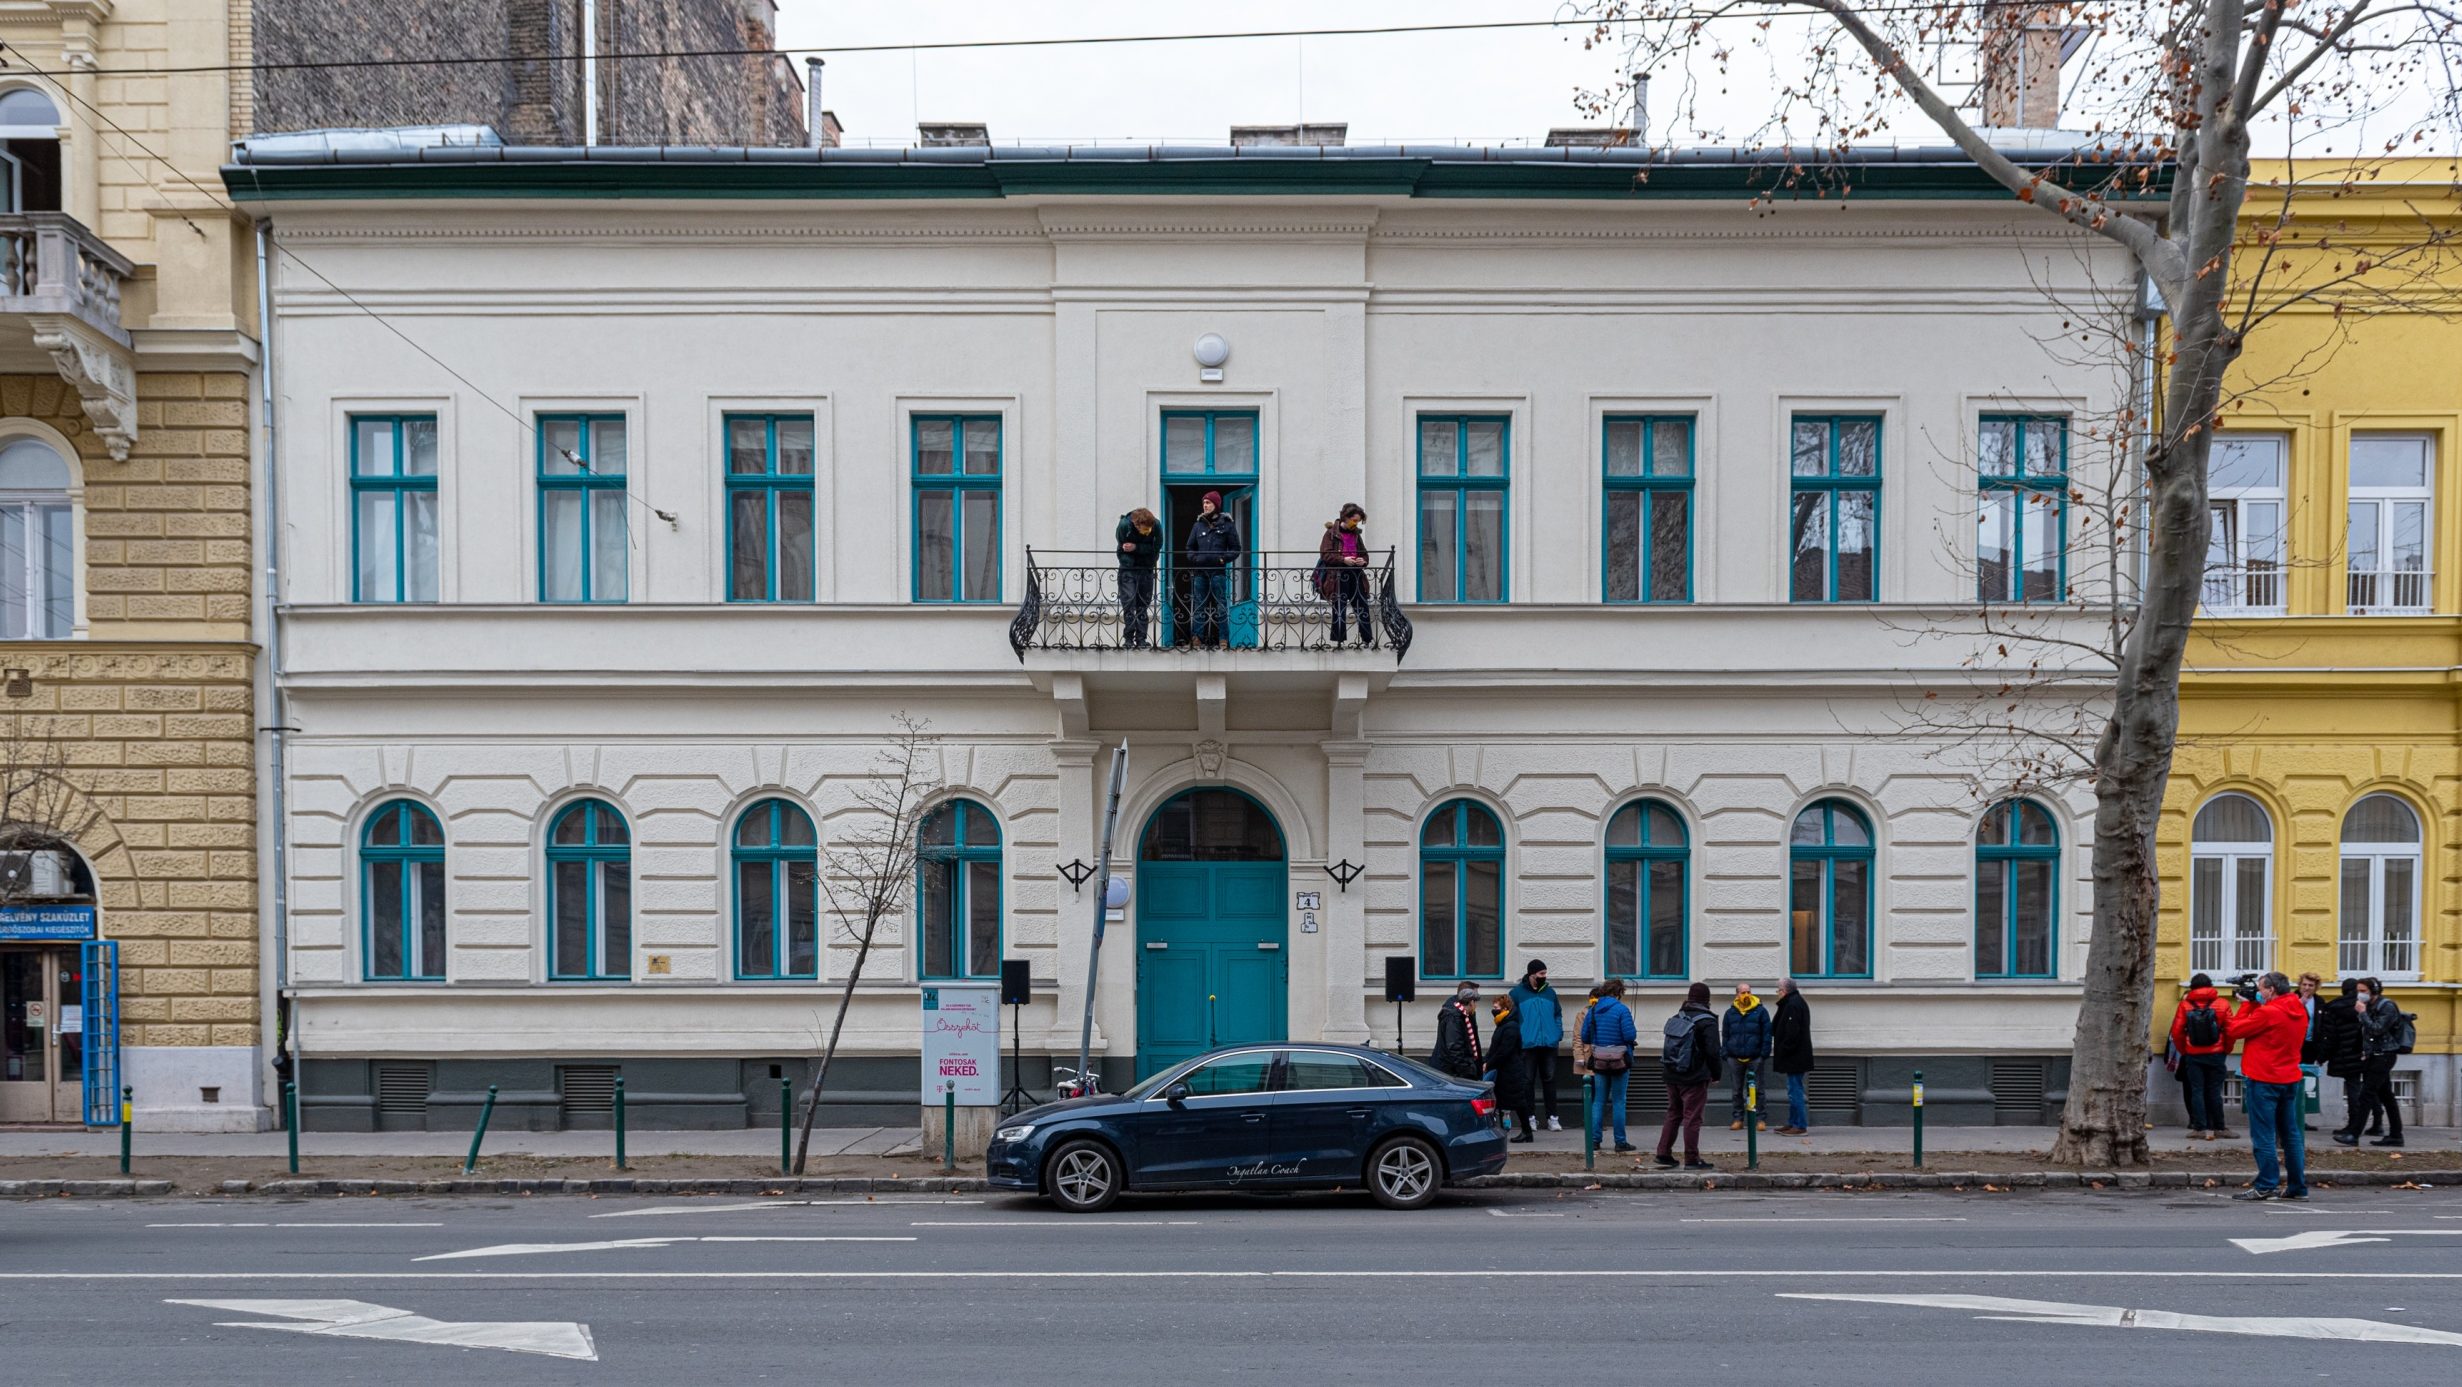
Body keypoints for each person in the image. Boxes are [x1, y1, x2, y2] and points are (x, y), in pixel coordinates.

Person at [2222, 971, 2311, 1201]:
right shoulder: (2298, 1008)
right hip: (2289, 1077)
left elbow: (2234, 1029)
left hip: (2264, 1079)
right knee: (2291, 1135)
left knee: (2264, 1135)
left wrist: (2246, 1006)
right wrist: (2255, 1004)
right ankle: (2297, 1187)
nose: (2259, 993)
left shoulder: (2269, 1012)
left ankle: (2266, 1184)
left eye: (2261, 989)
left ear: (2271, 990)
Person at [1655, 982, 1722, 1170]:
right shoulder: (1707, 1021)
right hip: (1694, 1077)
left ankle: (1663, 1153)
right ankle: (1692, 1158)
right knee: (1692, 1117)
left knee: (1673, 1113)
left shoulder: (1677, 1017)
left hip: (1671, 1073)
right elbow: (1713, 1052)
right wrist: (1716, 1074)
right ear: (1706, 1000)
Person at [2167, 972, 2233, 1140]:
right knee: (2215, 1091)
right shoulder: (2222, 1003)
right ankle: (2219, 1127)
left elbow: (2177, 1031)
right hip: (2217, 1054)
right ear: (2211, 985)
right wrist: (2227, 1048)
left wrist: (2185, 1050)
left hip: (2193, 1054)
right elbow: (2231, 1030)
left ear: (2192, 987)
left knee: (2196, 1090)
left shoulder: (2185, 1005)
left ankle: (2199, 1128)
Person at [1579, 978, 1639, 1154]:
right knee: (1619, 1101)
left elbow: (1585, 1037)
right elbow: (1629, 1035)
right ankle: (1620, 1142)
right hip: (1620, 1061)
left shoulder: (1593, 1009)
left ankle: (1595, 1141)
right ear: (1619, 993)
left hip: (1599, 1061)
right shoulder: (1622, 1010)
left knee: (1598, 1100)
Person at [1508, 959, 1564, 1132]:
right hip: (1527, 1045)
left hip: (1549, 1044)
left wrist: (1557, 1033)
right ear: (1532, 974)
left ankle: (1552, 1118)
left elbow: (1558, 1014)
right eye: (1541, 974)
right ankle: (1530, 1118)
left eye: (1545, 973)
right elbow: (1511, 1018)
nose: (1544, 976)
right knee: (1527, 1082)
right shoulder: (1517, 994)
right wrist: (1519, 1038)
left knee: (1549, 1080)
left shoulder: (1550, 992)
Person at [1183, 490, 1243, 650]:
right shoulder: (1198, 525)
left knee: (1221, 605)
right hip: (1200, 572)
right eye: (1204, 503)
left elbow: (1236, 549)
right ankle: (1196, 638)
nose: (1205, 505)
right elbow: (1189, 547)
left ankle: (1223, 639)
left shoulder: (1227, 525)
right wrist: (1194, 558)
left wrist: (1223, 559)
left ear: (1216, 505)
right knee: (1199, 605)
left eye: (1208, 503)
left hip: (1218, 572)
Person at [1315, 503, 1376, 647]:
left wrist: (1363, 561)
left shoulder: (1356, 535)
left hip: (1356, 574)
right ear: (1345, 517)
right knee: (1339, 608)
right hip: (1337, 575)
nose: (1356, 524)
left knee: (1362, 606)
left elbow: (1364, 554)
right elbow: (1325, 554)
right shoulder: (1331, 533)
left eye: (1358, 521)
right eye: (1354, 520)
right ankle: (1338, 641)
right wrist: (1343, 560)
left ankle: (1367, 640)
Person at [2354, 977, 2405, 1148]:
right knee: (2386, 1096)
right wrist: (2365, 1051)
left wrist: (2362, 1013)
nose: (2360, 995)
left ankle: (2353, 1134)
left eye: (2363, 991)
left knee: (2366, 1094)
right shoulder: (2370, 1006)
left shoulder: (2387, 1006)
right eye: (2358, 991)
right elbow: (2366, 1033)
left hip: (2384, 1055)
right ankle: (2396, 1135)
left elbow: (2376, 1029)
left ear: (2374, 991)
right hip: (2373, 1055)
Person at [2317, 979, 2368, 1143]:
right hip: (2364, 1052)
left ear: (2343, 990)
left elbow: (2330, 1035)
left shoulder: (2334, 1007)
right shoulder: (2363, 1005)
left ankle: (2354, 1126)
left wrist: (2323, 1056)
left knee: (2354, 1088)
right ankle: (2374, 1123)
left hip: (2345, 1054)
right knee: (2368, 1089)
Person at [1721, 981, 1772, 1132]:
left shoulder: (1760, 1011)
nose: (1746, 995)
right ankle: (1738, 1119)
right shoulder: (1730, 1013)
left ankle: (1760, 1119)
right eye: (1743, 992)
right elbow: (1725, 1034)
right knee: (1736, 1090)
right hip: (1734, 1057)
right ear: (1737, 994)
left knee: (1758, 1090)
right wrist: (1725, 1053)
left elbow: (1767, 1034)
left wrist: (1764, 1053)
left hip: (1755, 1057)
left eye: (1748, 992)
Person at [1769, 978, 1814, 1135]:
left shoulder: (1793, 1004)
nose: (1778, 994)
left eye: (1778, 991)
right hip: (1796, 1055)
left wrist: (1784, 1049)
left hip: (1795, 1056)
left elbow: (1792, 1032)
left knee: (1795, 1091)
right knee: (1793, 1089)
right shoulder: (1792, 1002)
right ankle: (1792, 1122)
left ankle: (1800, 1125)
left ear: (1784, 990)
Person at [1486, 995, 1534, 1142]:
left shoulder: (1510, 1026)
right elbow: (1496, 1048)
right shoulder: (1503, 1024)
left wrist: (1488, 1063)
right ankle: (1507, 1131)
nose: (1493, 1011)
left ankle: (1526, 1131)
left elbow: (1504, 1050)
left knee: (1518, 1102)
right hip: (1506, 1070)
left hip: (1511, 1071)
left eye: (1496, 1008)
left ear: (1505, 1009)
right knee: (1503, 1102)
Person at [1115, 507, 1162, 648]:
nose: (1148, 531)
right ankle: (1128, 639)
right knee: (1128, 603)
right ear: (1136, 524)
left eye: (1149, 528)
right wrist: (1130, 561)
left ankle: (1141, 639)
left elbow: (1157, 547)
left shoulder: (1156, 525)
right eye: (1145, 529)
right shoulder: (1124, 525)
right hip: (1128, 569)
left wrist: (1136, 548)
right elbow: (1120, 549)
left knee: (1143, 604)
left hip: (1146, 568)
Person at [1430, 980, 1484, 1081]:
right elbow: (1455, 1048)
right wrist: (1469, 1071)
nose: (1476, 1005)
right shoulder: (1454, 1017)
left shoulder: (1462, 1013)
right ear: (1471, 1002)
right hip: (1453, 1073)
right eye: (1475, 1001)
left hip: (1455, 1070)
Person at [2295, 972, 2325, 1133]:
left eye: (2310, 985)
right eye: (2304, 984)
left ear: (2316, 987)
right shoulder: (2292, 999)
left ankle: (2301, 1118)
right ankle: (2290, 1117)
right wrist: (2300, 1003)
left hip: (2310, 1045)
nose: (2307, 988)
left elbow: (2321, 1025)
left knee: (2305, 1082)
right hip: (2294, 1045)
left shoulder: (2319, 1002)